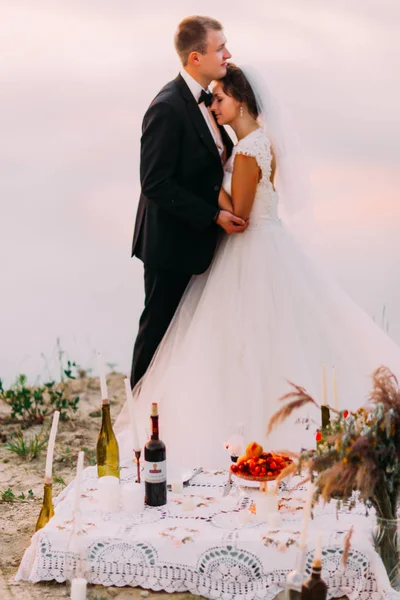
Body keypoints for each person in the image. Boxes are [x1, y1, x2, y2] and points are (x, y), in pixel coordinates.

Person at [116, 63, 400, 469]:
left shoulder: (250, 149)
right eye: (211, 98)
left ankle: (258, 430)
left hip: (251, 249)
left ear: (241, 100)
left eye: (219, 98)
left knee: (251, 337)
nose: (213, 105)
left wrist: (206, 184)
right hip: (261, 245)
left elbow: (241, 212)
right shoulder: (254, 143)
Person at [130, 16, 248, 389]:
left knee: (189, 340)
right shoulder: (166, 107)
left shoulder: (210, 103)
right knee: (159, 334)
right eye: (220, 48)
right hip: (170, 244)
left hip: (199, 244)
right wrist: (213, 214)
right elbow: (155, 181)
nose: (227, 54)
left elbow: (208, 165)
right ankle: (137, 418)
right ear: (195, 57)